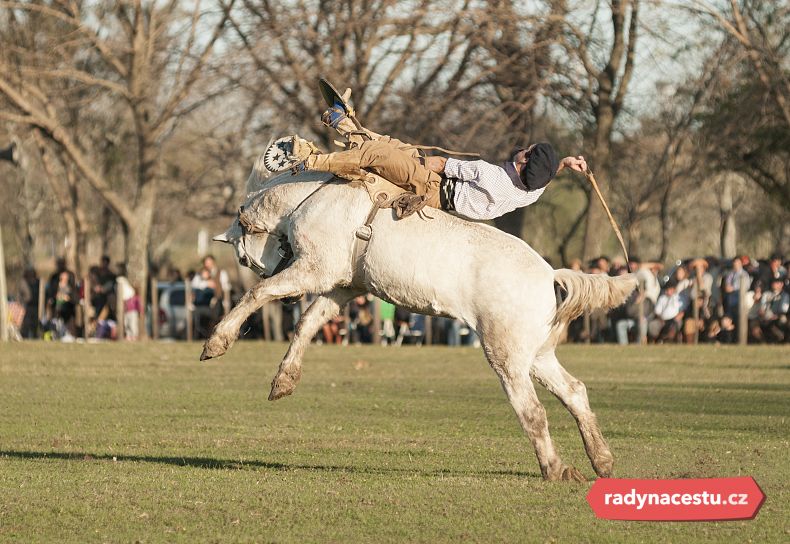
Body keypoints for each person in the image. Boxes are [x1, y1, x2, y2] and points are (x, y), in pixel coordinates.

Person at [264, 82, 589, 221]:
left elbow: (439, 164)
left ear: (524, 162)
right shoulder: (530, 192)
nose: (522, 150)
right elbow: (543, 175)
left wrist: (409, 161)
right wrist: (564, 163)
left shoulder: (488, 173)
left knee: (380, 154)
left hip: (433, 188)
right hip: (447, 196)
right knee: (393, 146)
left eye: (527, 151)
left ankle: (308, 159)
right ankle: (344, 122)